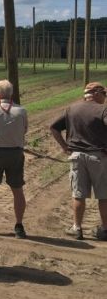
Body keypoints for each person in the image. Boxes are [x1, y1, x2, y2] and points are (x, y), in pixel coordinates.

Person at [50, 81, 107, 241]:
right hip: (98, 157)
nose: (105, 97)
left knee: (78, 194)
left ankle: (77, 228)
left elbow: (54, 127)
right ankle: (105, 229)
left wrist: (64, 147)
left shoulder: (72, 108)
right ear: (96, 93)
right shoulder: (103, 110)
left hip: (76, 156)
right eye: (104, 94)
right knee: (104, 195)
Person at [0, 80, 29, 239]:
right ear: (11, 94)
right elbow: (24, 130)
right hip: (16, 153)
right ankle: (19, 225)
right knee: (17, 190)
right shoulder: (21, 111)